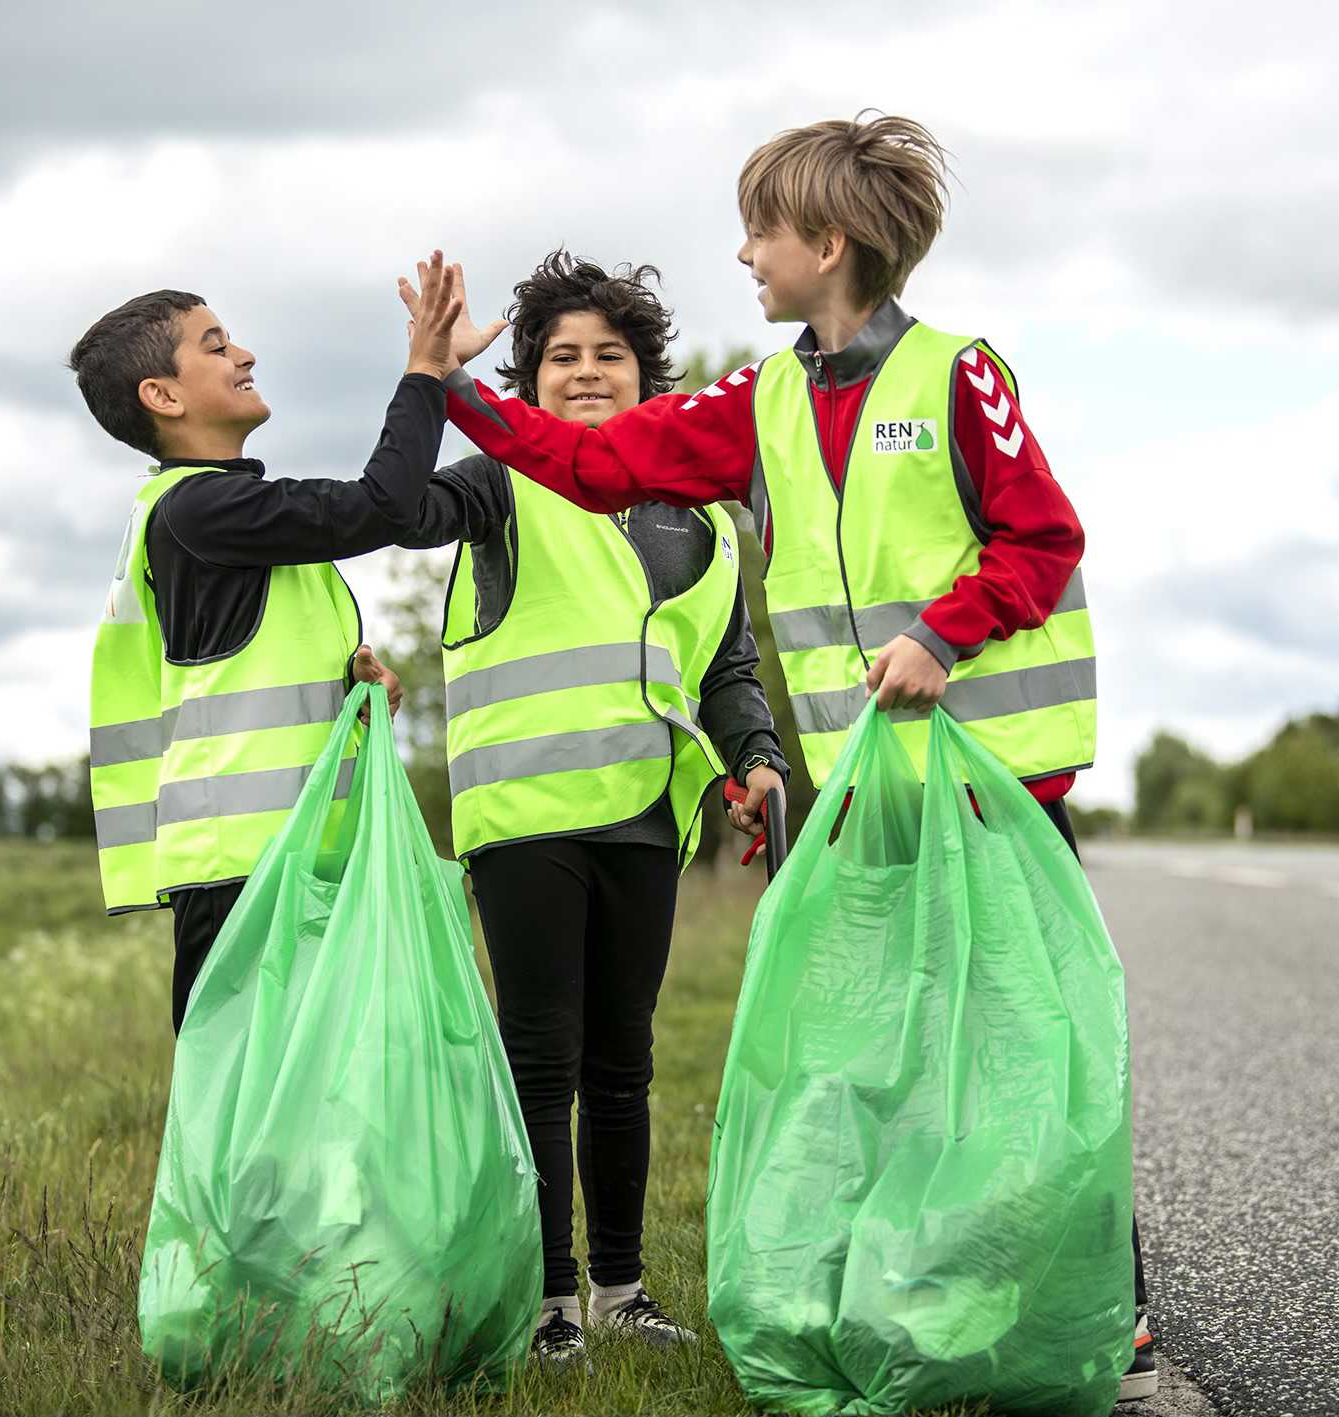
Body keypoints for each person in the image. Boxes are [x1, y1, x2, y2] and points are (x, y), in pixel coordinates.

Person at [423, 118, 1158, 1401]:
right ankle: (923, 1294)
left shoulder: (956, 377)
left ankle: (1109, 1303)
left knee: (1021, 1053)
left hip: (997, 791)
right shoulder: (755, 401)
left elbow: (1040, 539)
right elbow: (595, 466)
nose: (743, 254)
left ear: (826, 245)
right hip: (866, 797)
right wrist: (451, 390)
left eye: (760, 230)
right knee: (886, 1062)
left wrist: (944, 630)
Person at [393, 251, 788, 1367]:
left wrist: (753, 754)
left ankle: (620, 1290)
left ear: (643, 375)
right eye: (559, 356)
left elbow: (726, 663)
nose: (582, 372)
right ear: (528, 376)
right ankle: (546, 1300)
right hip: (522, 818)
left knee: (624, 1061)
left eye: (606, 355)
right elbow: (400, 507)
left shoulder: (701, 514)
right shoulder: (495, 484)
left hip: (644, 820)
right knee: (540, 1060)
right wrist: (430, 379)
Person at [72, 253, 463, 1033]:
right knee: (247, 1127)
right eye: (215, 346)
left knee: (284, 1119)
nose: (244, 354)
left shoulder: (213, 515)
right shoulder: (202, 510)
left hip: (278, 862)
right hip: (247, 868)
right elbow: (379, 506)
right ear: (164, 395)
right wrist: (424, 374)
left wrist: (354, 691)